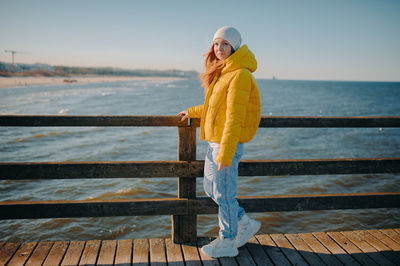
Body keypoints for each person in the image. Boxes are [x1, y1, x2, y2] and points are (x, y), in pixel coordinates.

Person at [177, 26, 261, 258]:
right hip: (214, 142)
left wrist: (225, 153)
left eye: (225, 43)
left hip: (226, 145)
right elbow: (215, 108)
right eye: (216, 44)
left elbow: (234, 118)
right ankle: (244, 222)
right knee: (210, 189)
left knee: (224, 195)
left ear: (234, 46)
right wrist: (192, 111)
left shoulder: (240, 75)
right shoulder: (224, 72)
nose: (219, 48)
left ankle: (227, 241)